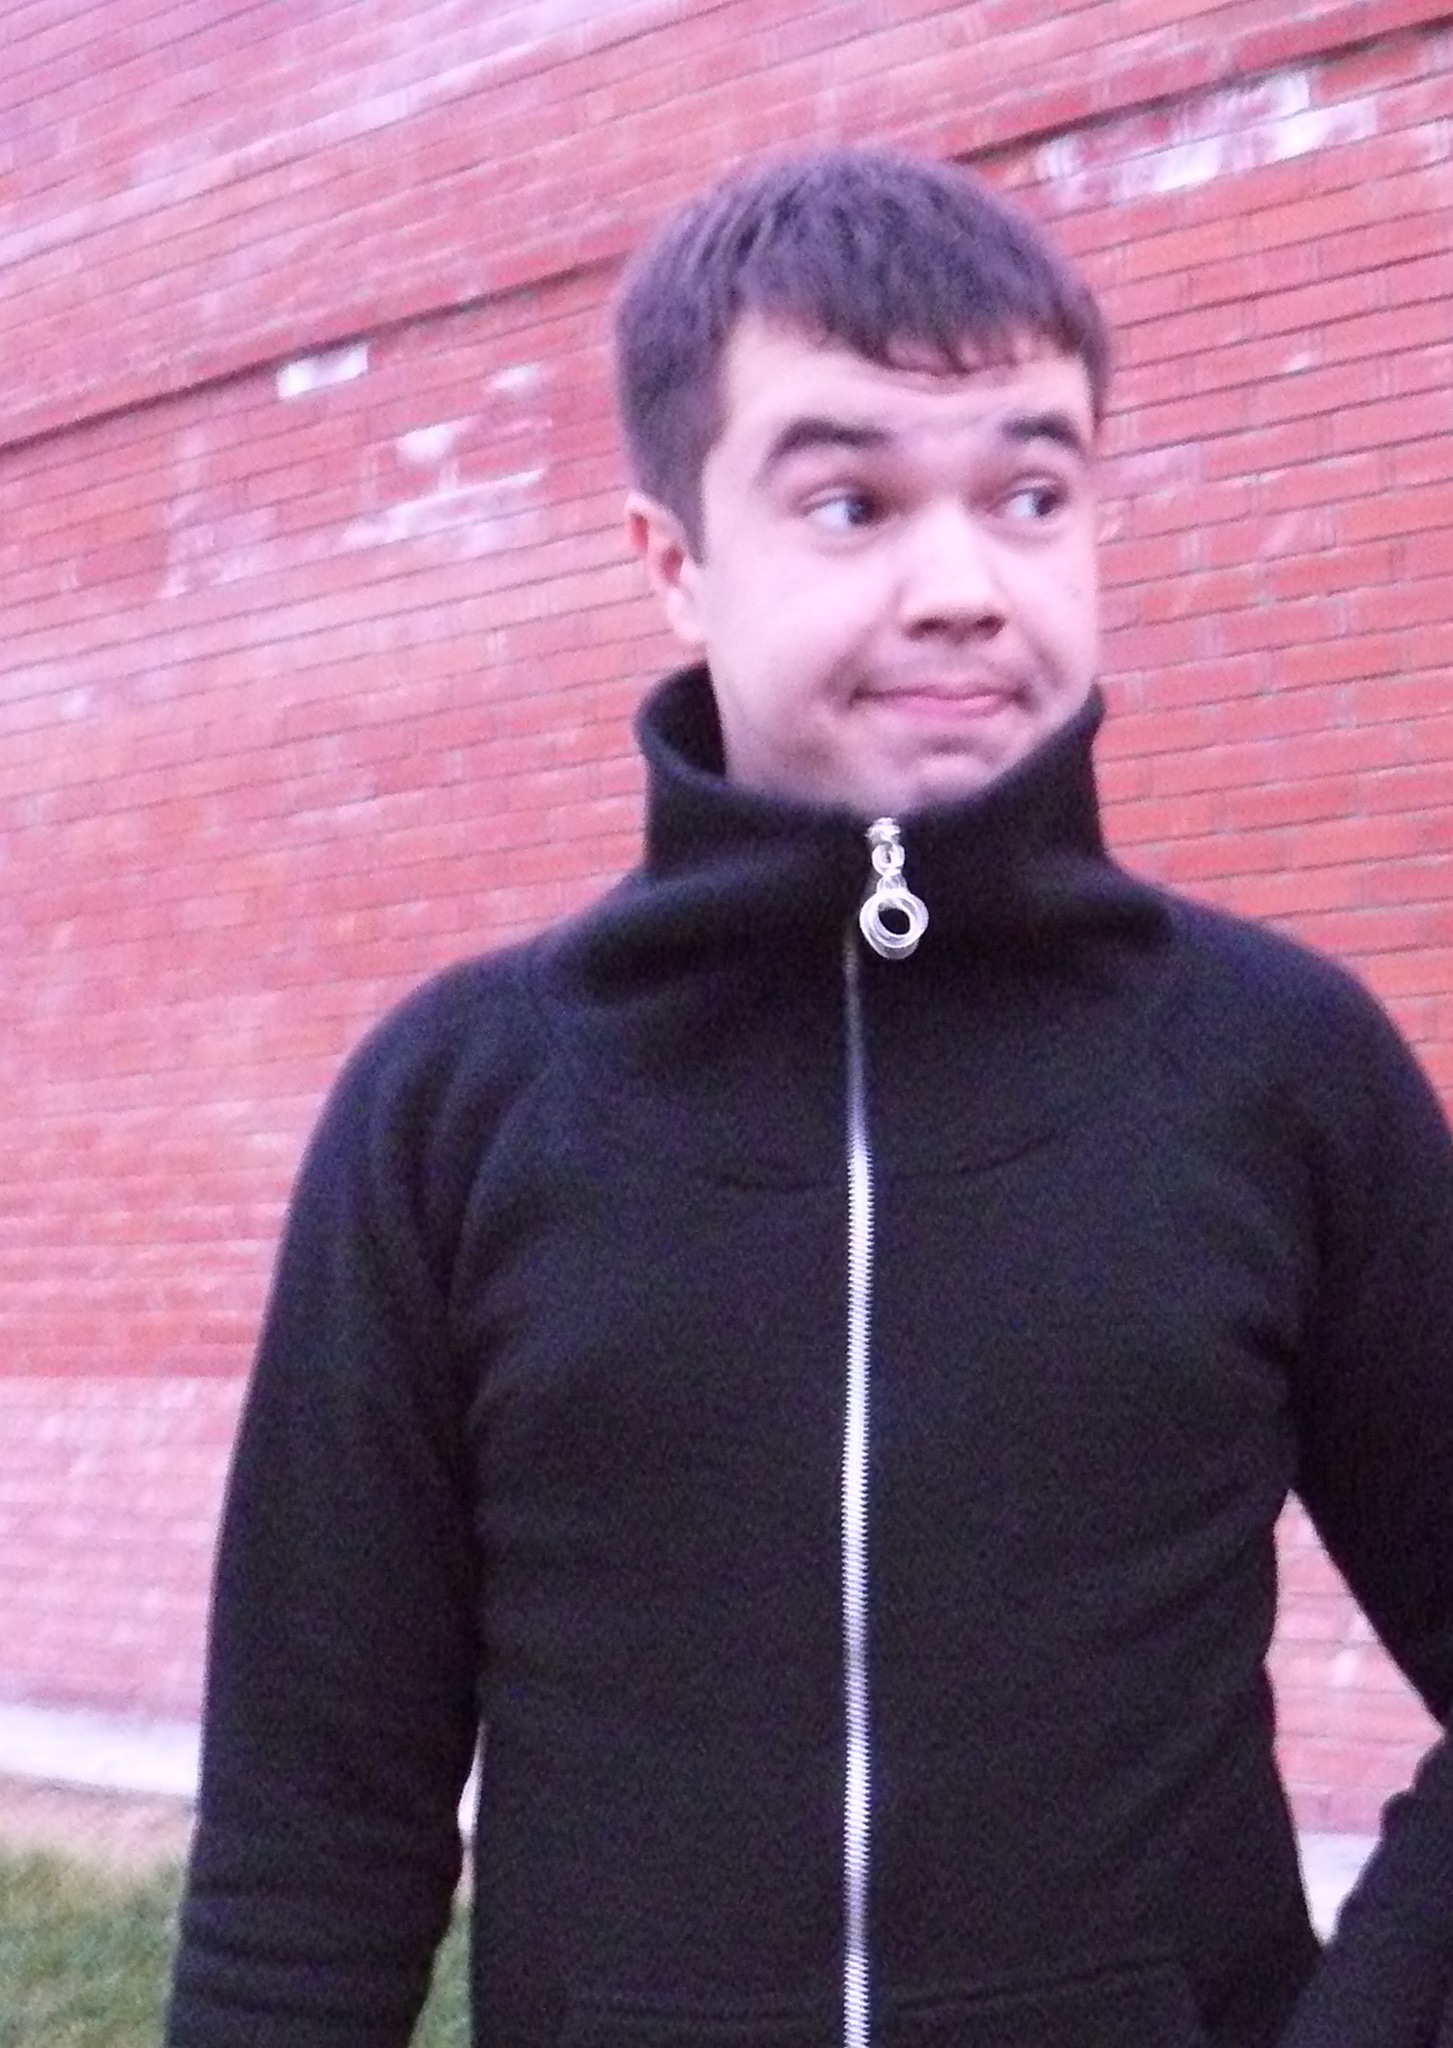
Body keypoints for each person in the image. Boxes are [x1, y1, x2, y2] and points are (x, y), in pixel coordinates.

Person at [166, 148, 1453, 2048]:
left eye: (1029, 495)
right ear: (674, 561)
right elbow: (309, 1840)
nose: (964, 588)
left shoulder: (1280, 1071)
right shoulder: (454, 1114)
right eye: (850, 502)